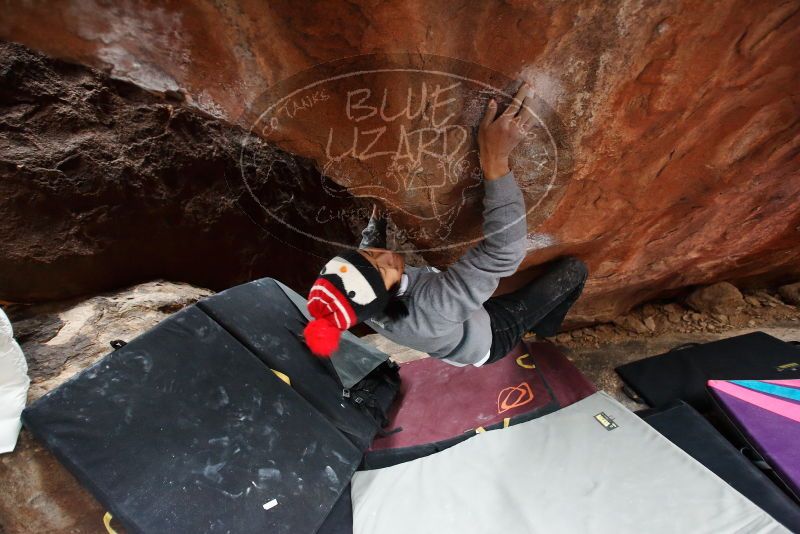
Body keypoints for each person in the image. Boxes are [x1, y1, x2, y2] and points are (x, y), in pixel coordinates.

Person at [304, 83, 587, 366]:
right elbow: (504, 253)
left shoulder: (363, 306)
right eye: (380, 264)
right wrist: (495, 158)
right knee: (574, 271)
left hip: (454, 325)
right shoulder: (432, 309)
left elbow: (367, 269)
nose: (384, 255)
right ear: (386, 296)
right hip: (490, 335)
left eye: (367, 255)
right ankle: (547, 329)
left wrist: (376, 224)